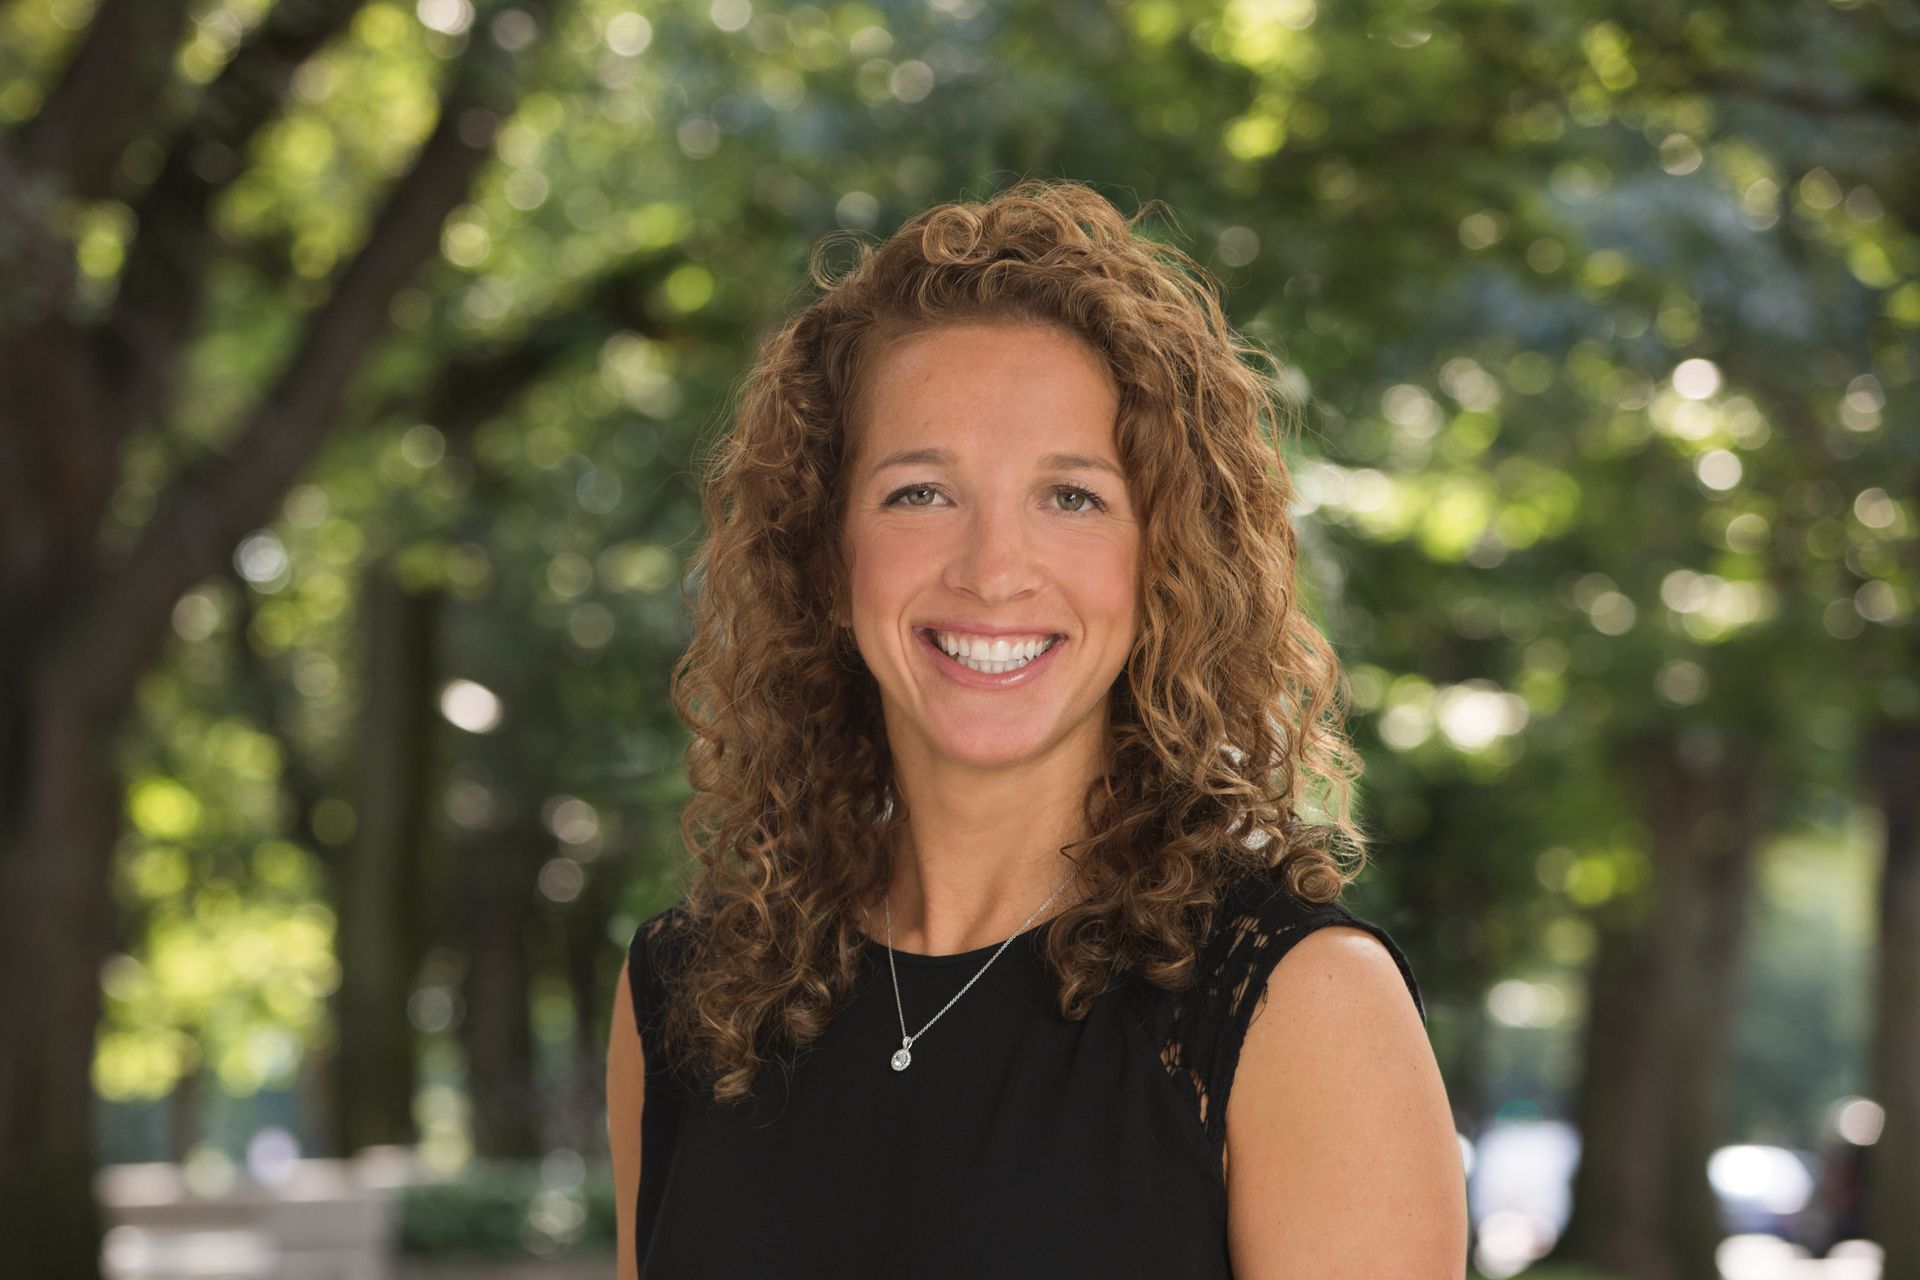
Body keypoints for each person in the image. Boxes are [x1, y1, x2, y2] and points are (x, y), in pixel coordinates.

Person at [606, 178, 1466, 1278]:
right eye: (921, 493)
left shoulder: (1301, 1006)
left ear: (1164, 562)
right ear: (824, 555)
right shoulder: (690, 993)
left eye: (1071, 497)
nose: (993, 570)